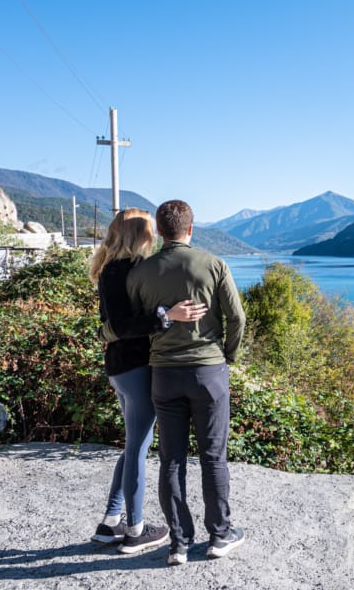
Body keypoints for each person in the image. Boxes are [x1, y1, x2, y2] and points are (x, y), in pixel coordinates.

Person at [127, 199, 247, 566]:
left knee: (171, 460)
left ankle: (178, 543)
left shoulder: (140, 273)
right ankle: (219, 536)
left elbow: (134, 326)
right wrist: (227, 356)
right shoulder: (213, 264)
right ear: (191, 229)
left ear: (160, 233)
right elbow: (237, 318)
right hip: (208, 372)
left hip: (163, 374)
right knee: (213, 457)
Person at [89, 208, 208, 554]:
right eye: (149, 232)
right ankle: (136, 530)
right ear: (140, 235)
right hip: (135, 368)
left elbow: (115, 326)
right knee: (138, 448)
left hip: (121, 368)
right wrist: (167, 315)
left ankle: (110, 523)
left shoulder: (114, 269)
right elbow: (124, 326)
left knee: (132, 445)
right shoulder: (120, 271)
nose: (154, 236)